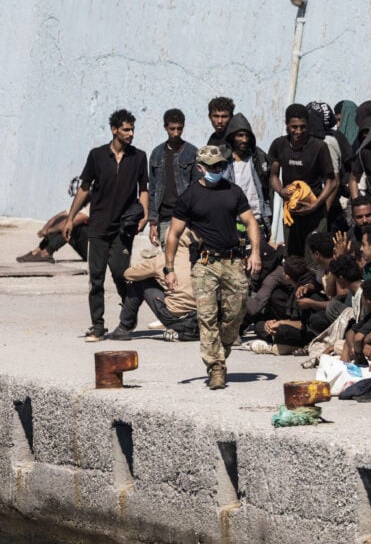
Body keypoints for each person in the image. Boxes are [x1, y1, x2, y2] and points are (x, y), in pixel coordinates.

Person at [163, 145, 262, 389]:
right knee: (207, 317)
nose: (218, 169)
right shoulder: (190, 196)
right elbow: (174, 234)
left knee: (237, 311)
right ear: (200, 168)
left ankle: (221, 350)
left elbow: (250, 222)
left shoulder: (234, 191)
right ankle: (216, 367)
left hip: (232, 261)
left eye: (221, 165)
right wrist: (169, 268)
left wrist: (255, 252)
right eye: (213, 166)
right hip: (205, 263)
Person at [65, 109, 150, 342]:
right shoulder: (97, 155)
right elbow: (84, 188)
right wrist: (71, 218)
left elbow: (144, 188)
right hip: (99, 226)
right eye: (126, 129)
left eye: (132, 129)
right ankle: (98, 325)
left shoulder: (139, 157)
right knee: (96, 278)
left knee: (122, 274)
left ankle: (127, 318)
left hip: (124, 227)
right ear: (114, 130)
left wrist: (145, 214)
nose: (131, 134)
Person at [268, 104, 336, 259]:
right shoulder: (279, 145)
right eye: (294, 127)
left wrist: (315, 205)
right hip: (291, 212)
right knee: (293, 260)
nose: (298, 131)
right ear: (286, 124)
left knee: (315, 259)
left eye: (302, 127)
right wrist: (280, 191)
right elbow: (273, 176)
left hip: (315, 214)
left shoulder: (319, 147)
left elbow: (332, 182)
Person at [147, 108, 196, 248]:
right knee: (168, 260)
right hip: (165, 218)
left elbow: (197, 187)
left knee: (187, 259)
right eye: (172, 129)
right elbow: (152, 190)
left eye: (179, 129)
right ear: (165, 128)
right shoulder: (156, 154)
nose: (176, 133)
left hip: (187, 218)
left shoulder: (191, 152)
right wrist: (152, 223)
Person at [221, 113, 272, 238]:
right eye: (240, 135)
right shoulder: (223, 160)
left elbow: (267, 191)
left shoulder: (258, 158)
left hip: (257, 220)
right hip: (231, 222)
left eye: (246, 135)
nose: (244, 139)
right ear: (232, 136)